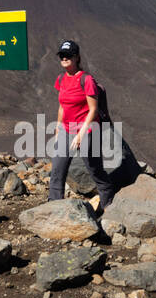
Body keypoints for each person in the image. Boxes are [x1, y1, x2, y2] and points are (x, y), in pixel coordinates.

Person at [48, 39, 115, 210]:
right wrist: (58, 126)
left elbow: (92, 110)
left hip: (88, 128)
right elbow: (62, 105)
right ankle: (54, 207)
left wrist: (81, 133)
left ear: (77, 57)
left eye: (68, 55)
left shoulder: (86, 80)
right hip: (66, 128)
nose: (64, 58)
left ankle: (107, 200)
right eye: (62, 55)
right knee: (57, 168)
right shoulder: (61, 79)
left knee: (94, 168)